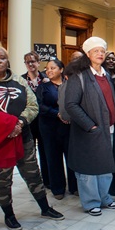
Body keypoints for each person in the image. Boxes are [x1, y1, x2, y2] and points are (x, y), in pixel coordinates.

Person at [0, 37, 64, 230]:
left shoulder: (18, 80)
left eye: (2, 58)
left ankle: (45, 207)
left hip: (23, 136)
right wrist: (3, 126)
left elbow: (33, 104)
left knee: (33, 174)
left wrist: (20, 123)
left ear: (8, 60)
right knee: (3, 180)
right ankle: (9, 215)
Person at [64, 36, 115, 216]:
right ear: (88, 54)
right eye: (96, 51)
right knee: (88, 169)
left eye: (102, 51)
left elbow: (114, 102)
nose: (100, 54)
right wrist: (90, 126)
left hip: (109, 128)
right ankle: (90, 202)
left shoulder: (107, 75)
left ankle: (104, 198)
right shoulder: (79, 77)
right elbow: (71, 105)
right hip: (89, 131)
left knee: (105, 166)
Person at [36, 59, 77, 200]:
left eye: (53, 68)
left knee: (71, 156)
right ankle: (58, 188)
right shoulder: (43, 87)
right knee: (53, 158)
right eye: (47, 69)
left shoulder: (69, 84)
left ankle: (74, 186)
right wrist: (57, 113)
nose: (49, 71)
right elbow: (39, 105)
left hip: (67, 126)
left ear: (61, 69)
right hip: (49, 128)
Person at [22, 51, 49, 188]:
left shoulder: (46, 79)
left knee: (45, 152)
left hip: (44, 121)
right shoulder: (20, 81)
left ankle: (47, 180)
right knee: (30, 155)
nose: (31, 64)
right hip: (29, 123)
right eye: (28, 62)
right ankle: (34, 181)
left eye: (33, 61)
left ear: (38, 62)